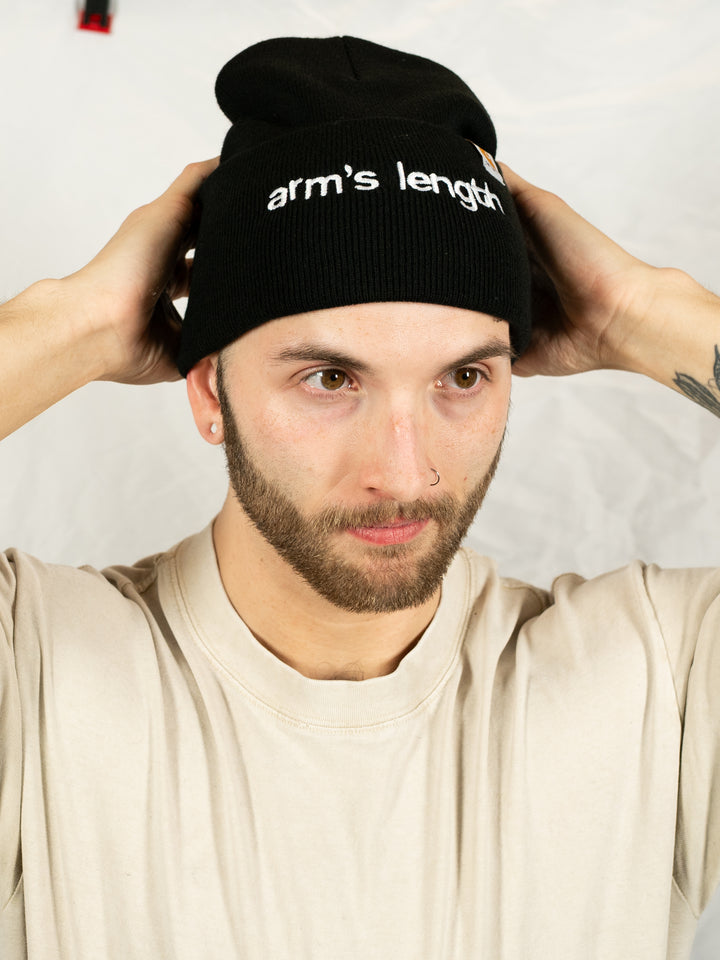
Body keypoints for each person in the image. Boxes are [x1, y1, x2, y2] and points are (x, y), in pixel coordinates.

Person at [1, 35, 719, 960]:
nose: (404, 468)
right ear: (209, 388)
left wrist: (645, 311)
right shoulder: (37, 673)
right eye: (331, 378)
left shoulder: (663, 677)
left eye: (463, 377)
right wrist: (72, 321)